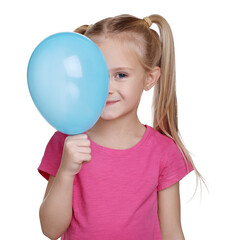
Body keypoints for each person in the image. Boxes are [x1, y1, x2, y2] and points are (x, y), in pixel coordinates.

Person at [38, 14, 205, 240]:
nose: (107, 88)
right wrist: (67, 171)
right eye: (96, 74)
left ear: (150, 78)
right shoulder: (67, 142)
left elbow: (172, 233)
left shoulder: (164, 151)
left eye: (121, 75)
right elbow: (50, 230)